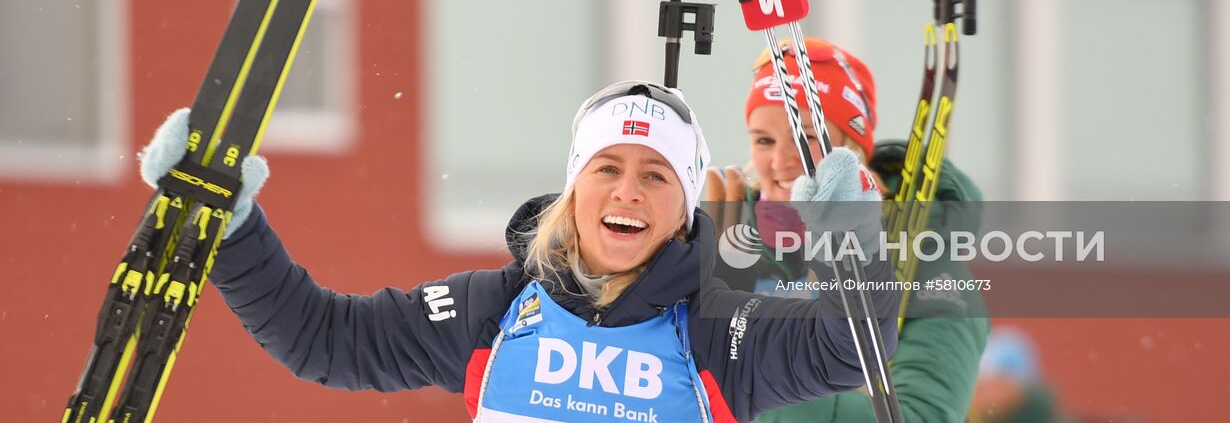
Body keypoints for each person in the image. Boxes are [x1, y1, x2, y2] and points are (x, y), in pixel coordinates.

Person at [138, 78, 899, 422]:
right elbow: (322, 341)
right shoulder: (496, 311)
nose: (627, 192)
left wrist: (849, 243)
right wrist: (230, 232)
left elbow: (850, 350)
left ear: (684, 209)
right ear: (575, 186)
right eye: (607, 169)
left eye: (656, 176)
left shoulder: (716, 331)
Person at [703, 38, 988, 423]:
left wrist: (767, 378)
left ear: (849, 147)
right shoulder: (724, 243)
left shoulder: (930, 272)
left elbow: (924, 415)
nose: (781, 160)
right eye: (764, 140)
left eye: (806, 138)